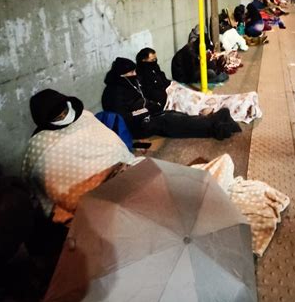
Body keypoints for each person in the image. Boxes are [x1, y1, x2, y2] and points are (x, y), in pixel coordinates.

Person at [22, 89, 141, 221]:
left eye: (64, 112)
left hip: (114, 166)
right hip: (82, 190)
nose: (63, 117)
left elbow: (113, 146)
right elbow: (38, 178)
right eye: (58, 117)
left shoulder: (84, 117)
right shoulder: (39, 144)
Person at [103, 57, 238, 140]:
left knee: (177, 115)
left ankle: (213, 120)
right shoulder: (113, 93)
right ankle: (216, 127)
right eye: (131, 72)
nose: (135, 74)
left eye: (134, 71)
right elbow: (123, 117)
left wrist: (152, 105)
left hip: (149, 115)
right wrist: (147, 110)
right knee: (172, 122)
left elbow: (142, 99)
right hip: (139, 125)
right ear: (121, 74)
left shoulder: (129, 83)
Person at [138, 48, 261, 124]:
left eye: (156, 59)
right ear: (143, 61)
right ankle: (241, 106)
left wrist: (173, 87)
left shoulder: (155, 69)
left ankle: (244, 101)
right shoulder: (143, 76)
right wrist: (171, 92)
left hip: (175, 89)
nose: (155, 63)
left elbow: (165, 80)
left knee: (202, 97)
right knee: (198, 104)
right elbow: (154, 93)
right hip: (171, 96)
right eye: (152, 60)